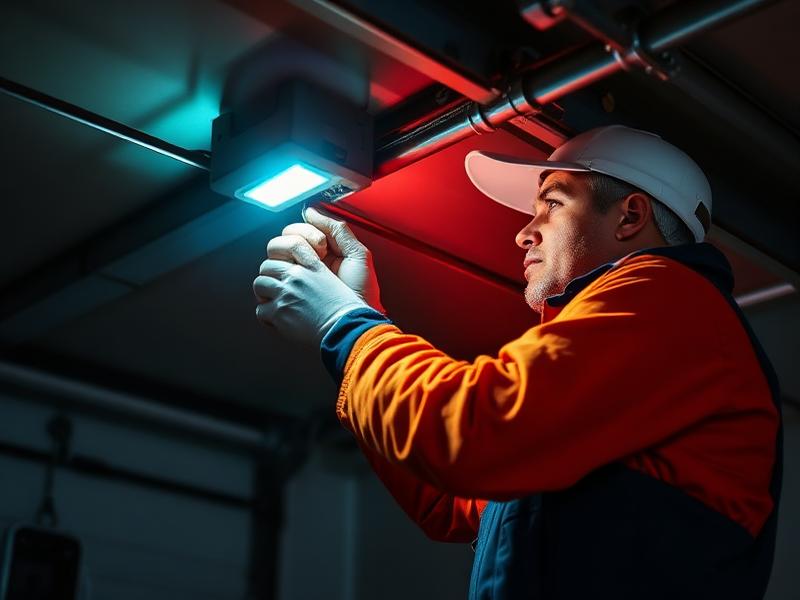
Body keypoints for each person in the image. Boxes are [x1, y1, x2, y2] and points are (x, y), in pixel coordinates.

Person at [253, 125, 781, 599]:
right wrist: (360, 320)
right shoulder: (636, 354)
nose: (523, 233)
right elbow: (453, 499)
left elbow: (473, 434)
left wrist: (345, 327)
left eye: (551, 203)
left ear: (630, 216)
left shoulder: (666, 296)